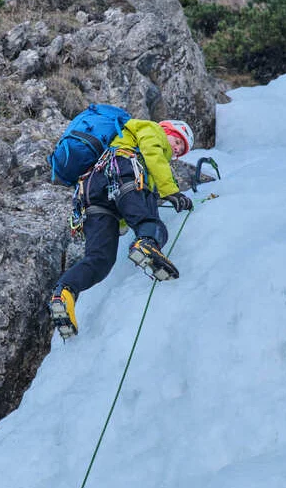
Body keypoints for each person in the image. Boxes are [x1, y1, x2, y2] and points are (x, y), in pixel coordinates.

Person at [49, 118, 195, 338]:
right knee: (151, 224)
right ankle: (146, 244)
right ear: (166, 128)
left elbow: (124, 206)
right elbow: (153, 155)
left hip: (91, 190)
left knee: (100, 260)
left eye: (180, 151)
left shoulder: (124, 139)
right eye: (178, 141)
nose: (175, 149)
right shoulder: (151, 129)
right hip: (122, 169)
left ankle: (64, 293)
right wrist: (170, 190)